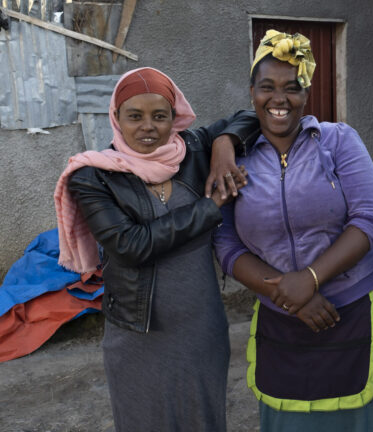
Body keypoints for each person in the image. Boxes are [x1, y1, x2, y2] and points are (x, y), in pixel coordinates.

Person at [54, 67, 258, 431]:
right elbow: (130, 245)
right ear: (115, 118)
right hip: (138, 334)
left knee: (203, 420)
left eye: (160, 116)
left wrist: (224, 144)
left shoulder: (193, 149)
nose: (148, 126)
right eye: (135, 116)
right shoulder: (94, 175)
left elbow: (250, 115)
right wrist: (209, 209)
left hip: (200, 326)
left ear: (174, 118)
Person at [212, 30, 373, 431]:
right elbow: (224, 240)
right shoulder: (235, 159)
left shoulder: (339, 141)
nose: (279, 99)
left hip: (350, 306)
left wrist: (310, 279)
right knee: (286, 420)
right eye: (267, 87)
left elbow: (368, 218)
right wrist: (287, 294)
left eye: (292, 88)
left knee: (354, 421)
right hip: (280, 316)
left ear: (306, 93)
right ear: (252, 92)